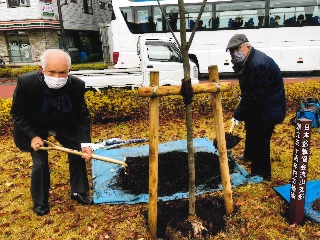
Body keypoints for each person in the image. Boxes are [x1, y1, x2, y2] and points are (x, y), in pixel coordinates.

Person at [10, 49, 93, 216]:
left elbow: (82, 116)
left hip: (62, 123)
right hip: (34, 126)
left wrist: (85, 144)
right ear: (42, 69)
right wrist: (33, 136)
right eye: (51, 72)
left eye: (62, 73)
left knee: (77, 151)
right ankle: (40, 202)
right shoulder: (27, 82)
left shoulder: (77, 85)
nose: (57, 77)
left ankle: (79, 191)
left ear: (69, 71)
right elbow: (18, 113)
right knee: (40, 162)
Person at [226, 34, 286, 181]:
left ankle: (262, 173)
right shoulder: (247, 60)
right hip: (261, 105)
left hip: (269, 108)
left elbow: (253, 94)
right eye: (232, 51)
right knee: (252, 129)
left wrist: (238, 114)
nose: (235, 53)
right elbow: (249, 91)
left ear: (247, 46)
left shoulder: (259, 64)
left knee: (261, 139)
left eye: (237, 49)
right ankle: (249, 156)